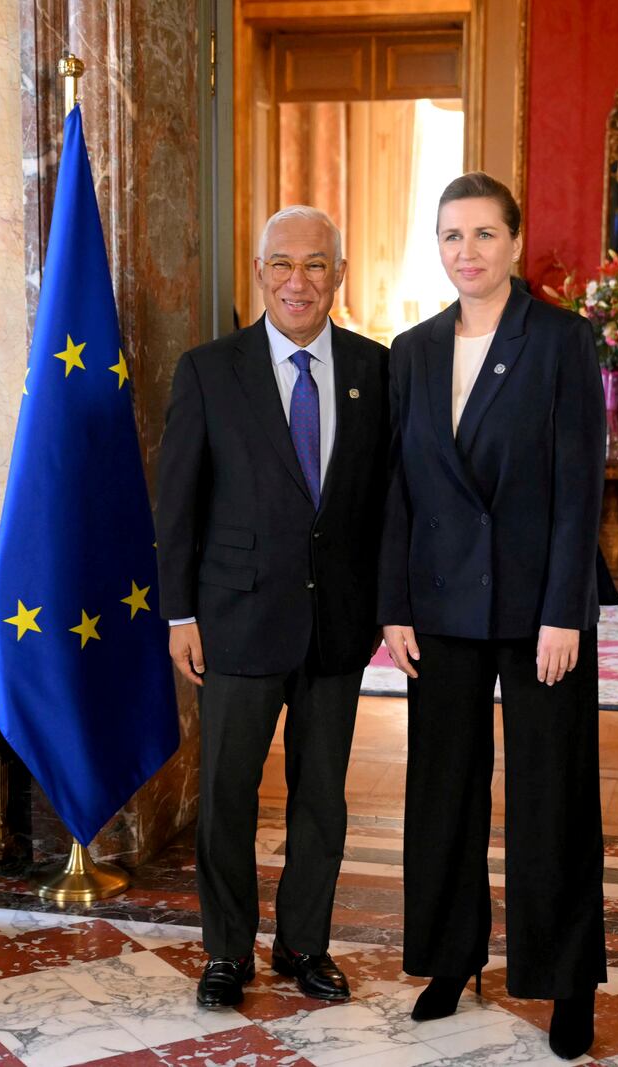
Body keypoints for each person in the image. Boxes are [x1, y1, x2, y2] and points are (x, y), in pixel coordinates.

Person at [379, 172, 610, 1061]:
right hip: (437, 605)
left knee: (552, 794)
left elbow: (577, 488)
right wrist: (394, 603)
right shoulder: (412, 348)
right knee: (442, 788)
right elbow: (399, 485)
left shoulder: (560, 340)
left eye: (482, 234)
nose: (466, 252)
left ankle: (565, 981)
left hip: (537, 607)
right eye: (450, 236)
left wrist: (565, 611)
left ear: (515, 241)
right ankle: (449, 957)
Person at [156, 205, 389, 1008]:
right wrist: (180, 613)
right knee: (226, 795)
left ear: (339, 276)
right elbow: (178, 505)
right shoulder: (208, 370)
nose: (299, 280)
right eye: (282, 264)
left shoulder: (374, 369)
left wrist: (387, 608)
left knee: (321, 796)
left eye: (317, 264)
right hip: (235, 620)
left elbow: (386, 504)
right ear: (259, 272)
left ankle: (303, 944)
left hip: (338, 625)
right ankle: (227, 951)